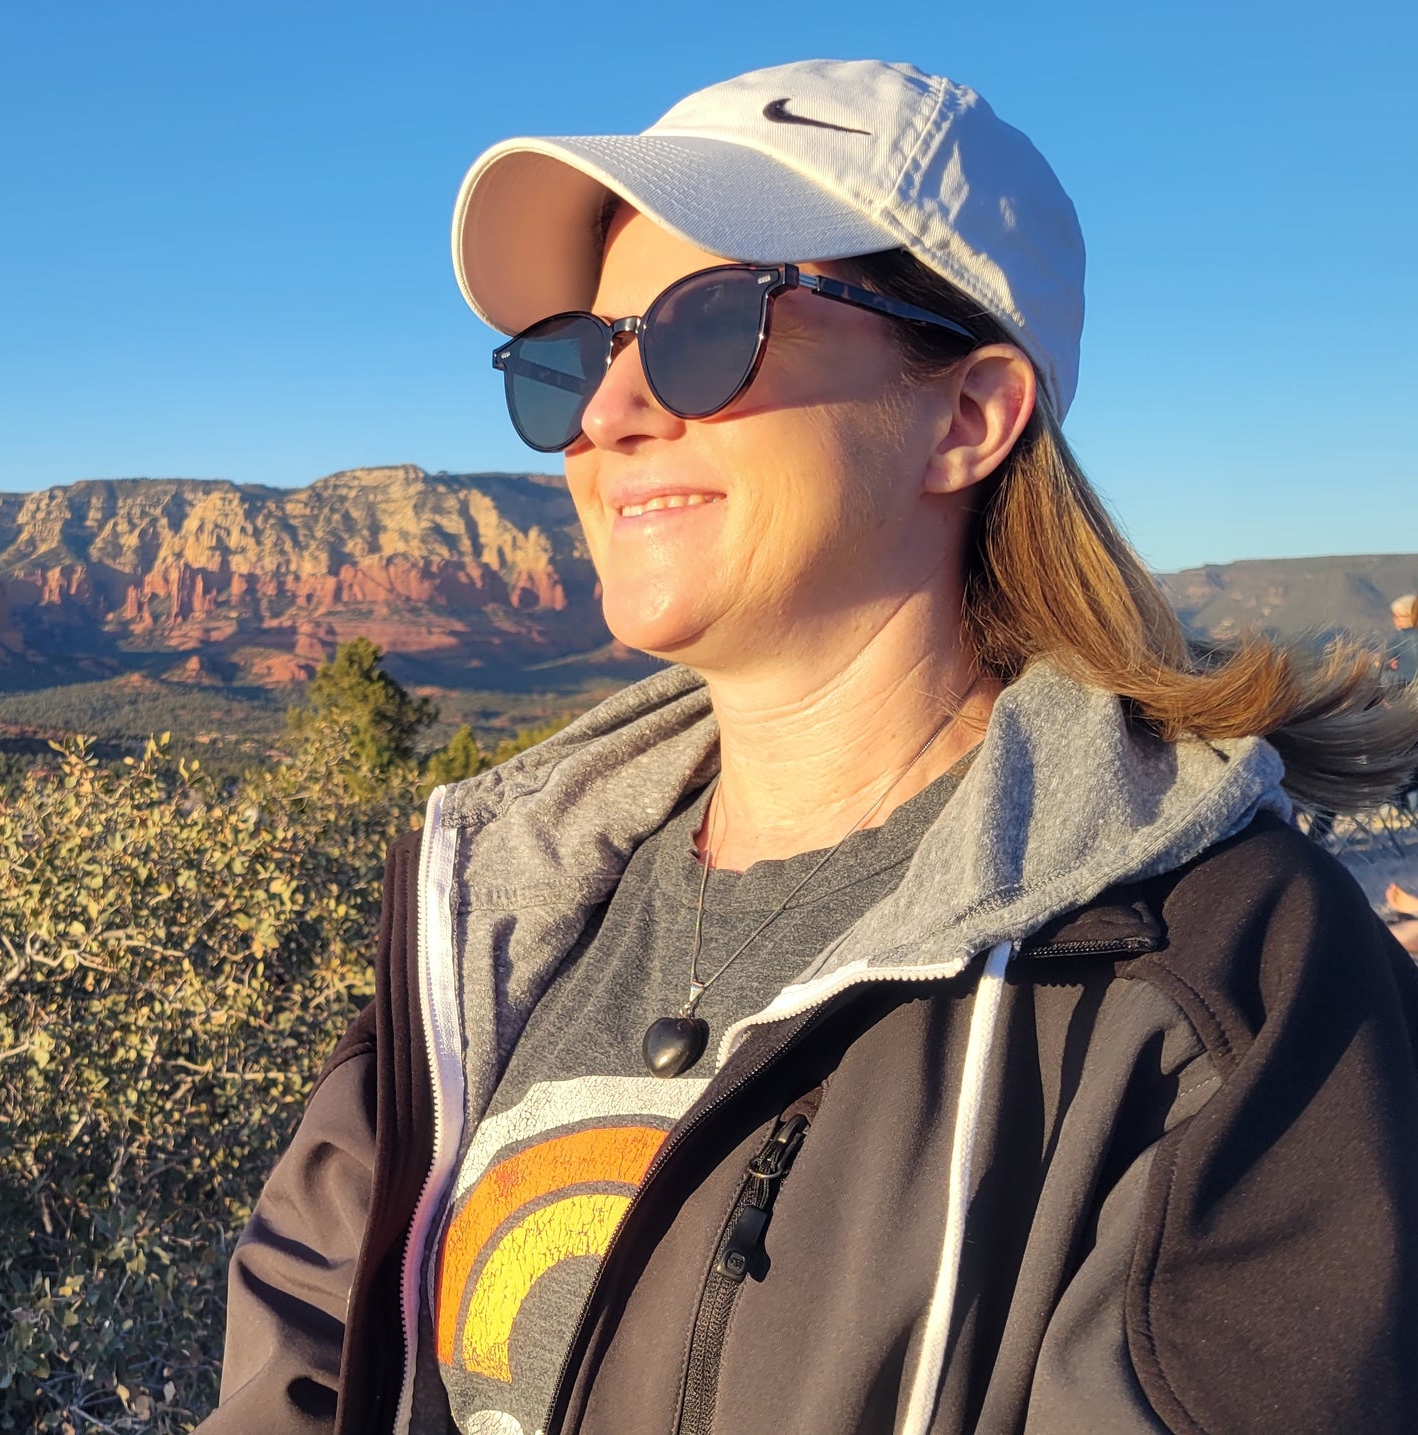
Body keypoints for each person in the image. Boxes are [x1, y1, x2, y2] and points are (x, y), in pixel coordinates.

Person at [200, 60, 1418, 1434]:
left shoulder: (1227, 995)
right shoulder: (488, 924)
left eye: (709, 328)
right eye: (577, 356)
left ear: (967, 417)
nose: (605, 416)